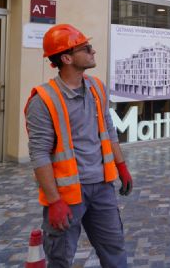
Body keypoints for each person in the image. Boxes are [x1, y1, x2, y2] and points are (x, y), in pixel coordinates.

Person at [25, 24, 132, 267]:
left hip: (102, 187)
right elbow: (39, 153)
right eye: (86, 48)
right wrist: (54, 201)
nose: (93, 52)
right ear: (66, 58)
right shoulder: (43, 100)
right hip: (68, 195)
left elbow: (108, 129)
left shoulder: (97, 88)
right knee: (61, 258)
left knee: (115, 249)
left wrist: (121, 166)